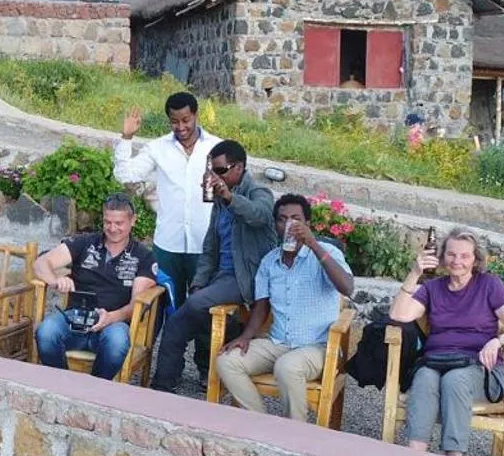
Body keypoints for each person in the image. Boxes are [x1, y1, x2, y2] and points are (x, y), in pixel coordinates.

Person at [389, 228, 504, 456]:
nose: (458, 261)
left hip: (480, 367)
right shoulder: (432, 288)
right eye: (452, 255)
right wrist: (414, 274)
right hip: (437, 362)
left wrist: (497, 341)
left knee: (455, 380)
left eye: (465, 256)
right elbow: (399, 314)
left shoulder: (489, 285)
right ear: (443, 256)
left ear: (476, 259)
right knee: (424, 377)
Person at [149, 140, 277, 392]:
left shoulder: (260, 194)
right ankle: (162, 387)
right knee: (178, 320)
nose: (215, 176)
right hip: (221, 277)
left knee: (195, 306)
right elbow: (210, 247)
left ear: (239, 168)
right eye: (212, 171)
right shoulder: (220, 202)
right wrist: (198, 282)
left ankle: (229, 331)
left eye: (221, 170)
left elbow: (258, 215)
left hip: (246, 278)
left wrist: (229, 197)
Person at [216, 194, 355, 422]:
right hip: (278, 343)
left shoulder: (326, 254)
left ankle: (295, 436)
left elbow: (347, 287)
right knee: (227, 360)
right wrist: (246, 336)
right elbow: (261, 306)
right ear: (276, 226)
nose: (289, 225)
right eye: (282, 219)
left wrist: (313, 244)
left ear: (307, 224)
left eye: (296, 219)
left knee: (287, 367)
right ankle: (263, 426)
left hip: (318, 346)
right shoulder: (270, 261)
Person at [113, 91, 220, 314]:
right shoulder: (158, 148)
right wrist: (126, 138)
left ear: (196, 116)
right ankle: (164, 350)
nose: (180, 127)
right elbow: (126, 175)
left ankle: (203, 351)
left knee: (205, 310)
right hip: (168, 245)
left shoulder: (216, 148)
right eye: (174, 121)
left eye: (185, 120)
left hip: (206, 244)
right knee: (164, 308)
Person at [34, 194, 158, 379]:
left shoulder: (143, 256)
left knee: (117, 343)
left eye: (119, 223)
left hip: (113, 322)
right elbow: (41, 263)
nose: (112, 228)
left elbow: (136, 305)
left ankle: (95, 390)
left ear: (133, 221)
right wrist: (55, 280)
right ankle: (61, 385)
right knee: (45, 332)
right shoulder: (85, 243)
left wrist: (111, 317)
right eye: (107, 222)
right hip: (74, 317)